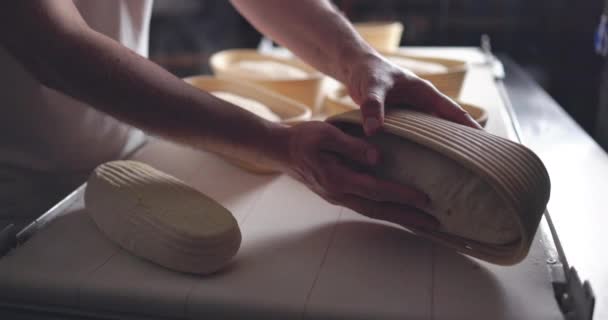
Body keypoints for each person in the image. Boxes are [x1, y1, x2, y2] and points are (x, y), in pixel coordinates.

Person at [0, 1, 479, 231]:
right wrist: (275, 144)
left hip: (133, 162)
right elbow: (55, 49)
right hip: (19, 198)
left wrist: (358, 58)